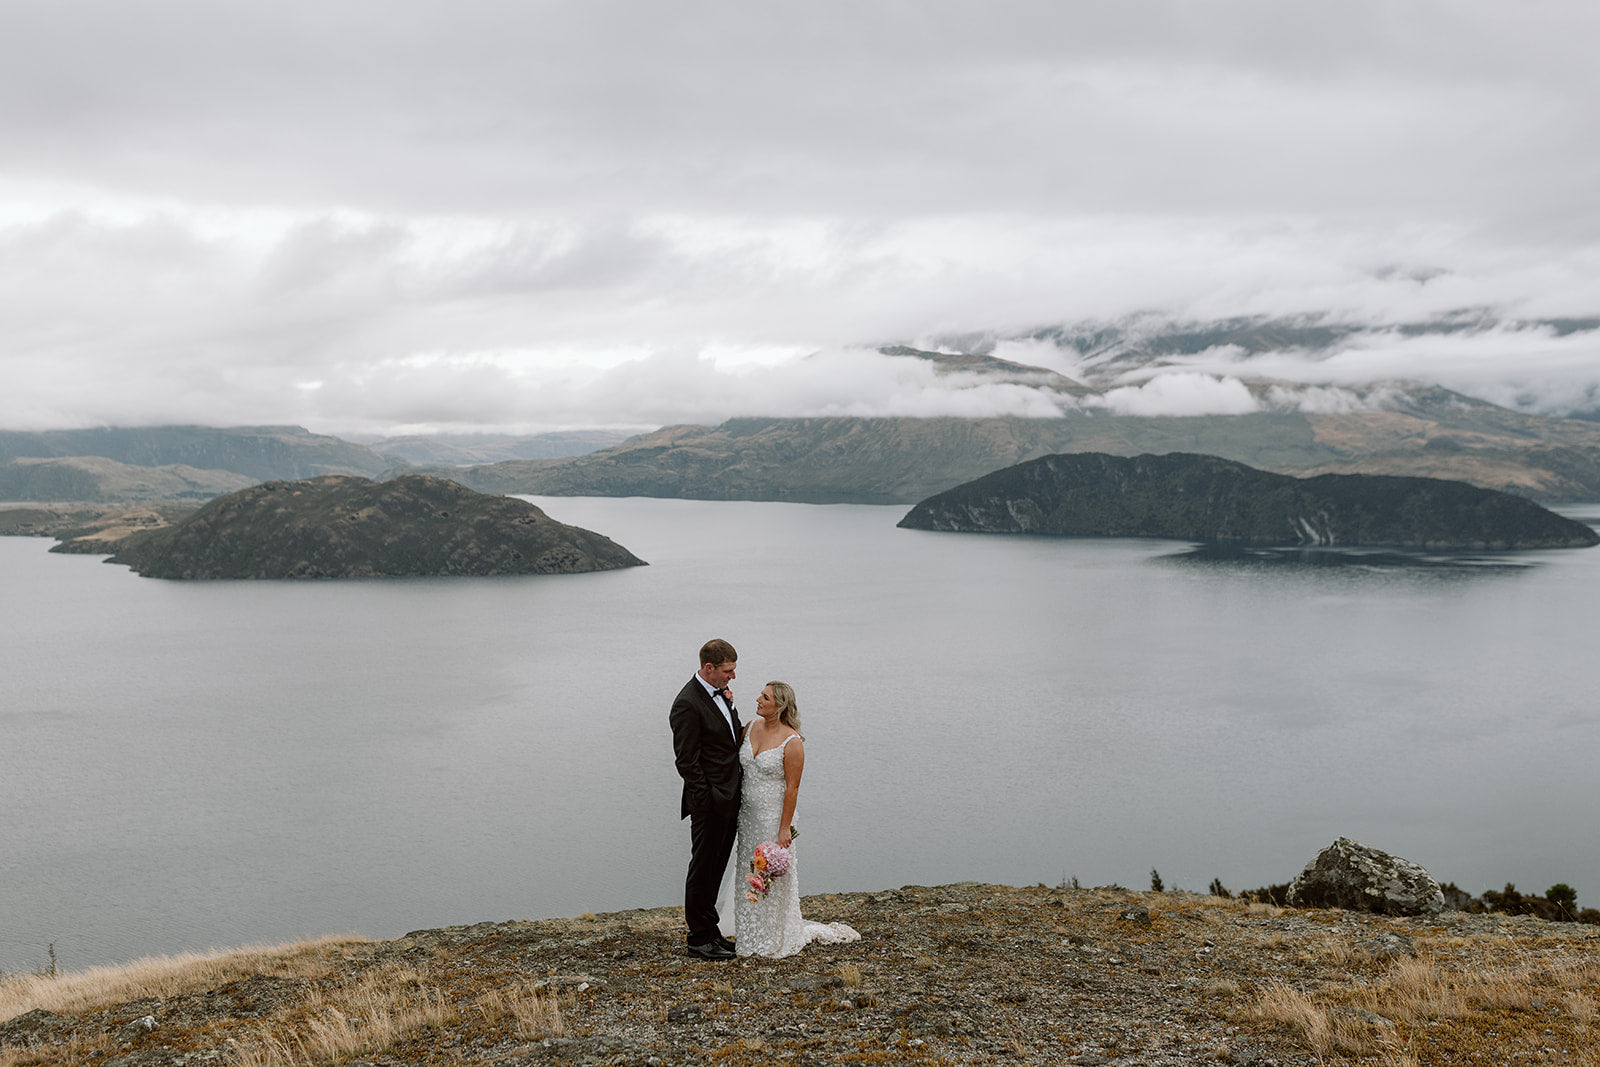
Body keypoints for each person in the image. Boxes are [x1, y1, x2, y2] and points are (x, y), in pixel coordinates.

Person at [730, 681, 859, 958]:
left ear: (780, 706)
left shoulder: (792, 742)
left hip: (773, 817)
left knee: (771, 876)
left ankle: (774, 938)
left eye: (764, 697)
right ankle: (749, 936)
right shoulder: (749, 728)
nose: (758, 699)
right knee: (748, 872)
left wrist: (784, 827)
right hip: (748, 816)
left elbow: (792, 787)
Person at [670, 638, 743, 960]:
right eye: (728, 671)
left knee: (716, 867)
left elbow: (728, 742)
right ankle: (698, 938)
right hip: (710, 801)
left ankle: (711, 931)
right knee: (702, 868)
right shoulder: (687, 703)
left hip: (729, 797)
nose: (733, 677)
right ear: (709, 668)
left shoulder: (720, 696)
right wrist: (707, 798)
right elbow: (686, 760)